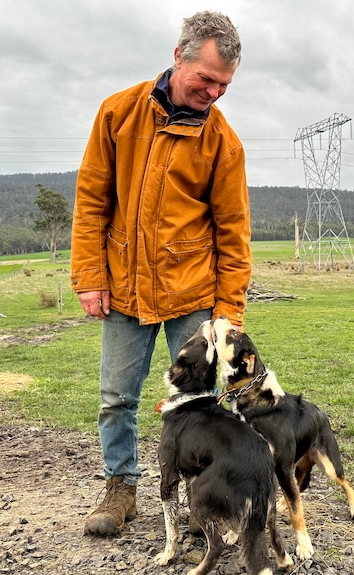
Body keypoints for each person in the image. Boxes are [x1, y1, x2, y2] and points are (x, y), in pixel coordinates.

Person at [69, 10, 251, 537]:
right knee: (116, 399)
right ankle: (120, 489)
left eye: (225, 85)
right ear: (179, 57)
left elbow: (233, 233)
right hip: (122, 286)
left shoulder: (224, 143)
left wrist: (227, 313)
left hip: (192, 292)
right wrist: (89, 275)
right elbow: (92, 200)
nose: (215, 93)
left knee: (205, 402)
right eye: (207, 79)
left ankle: (206, 496)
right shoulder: (116, 114)